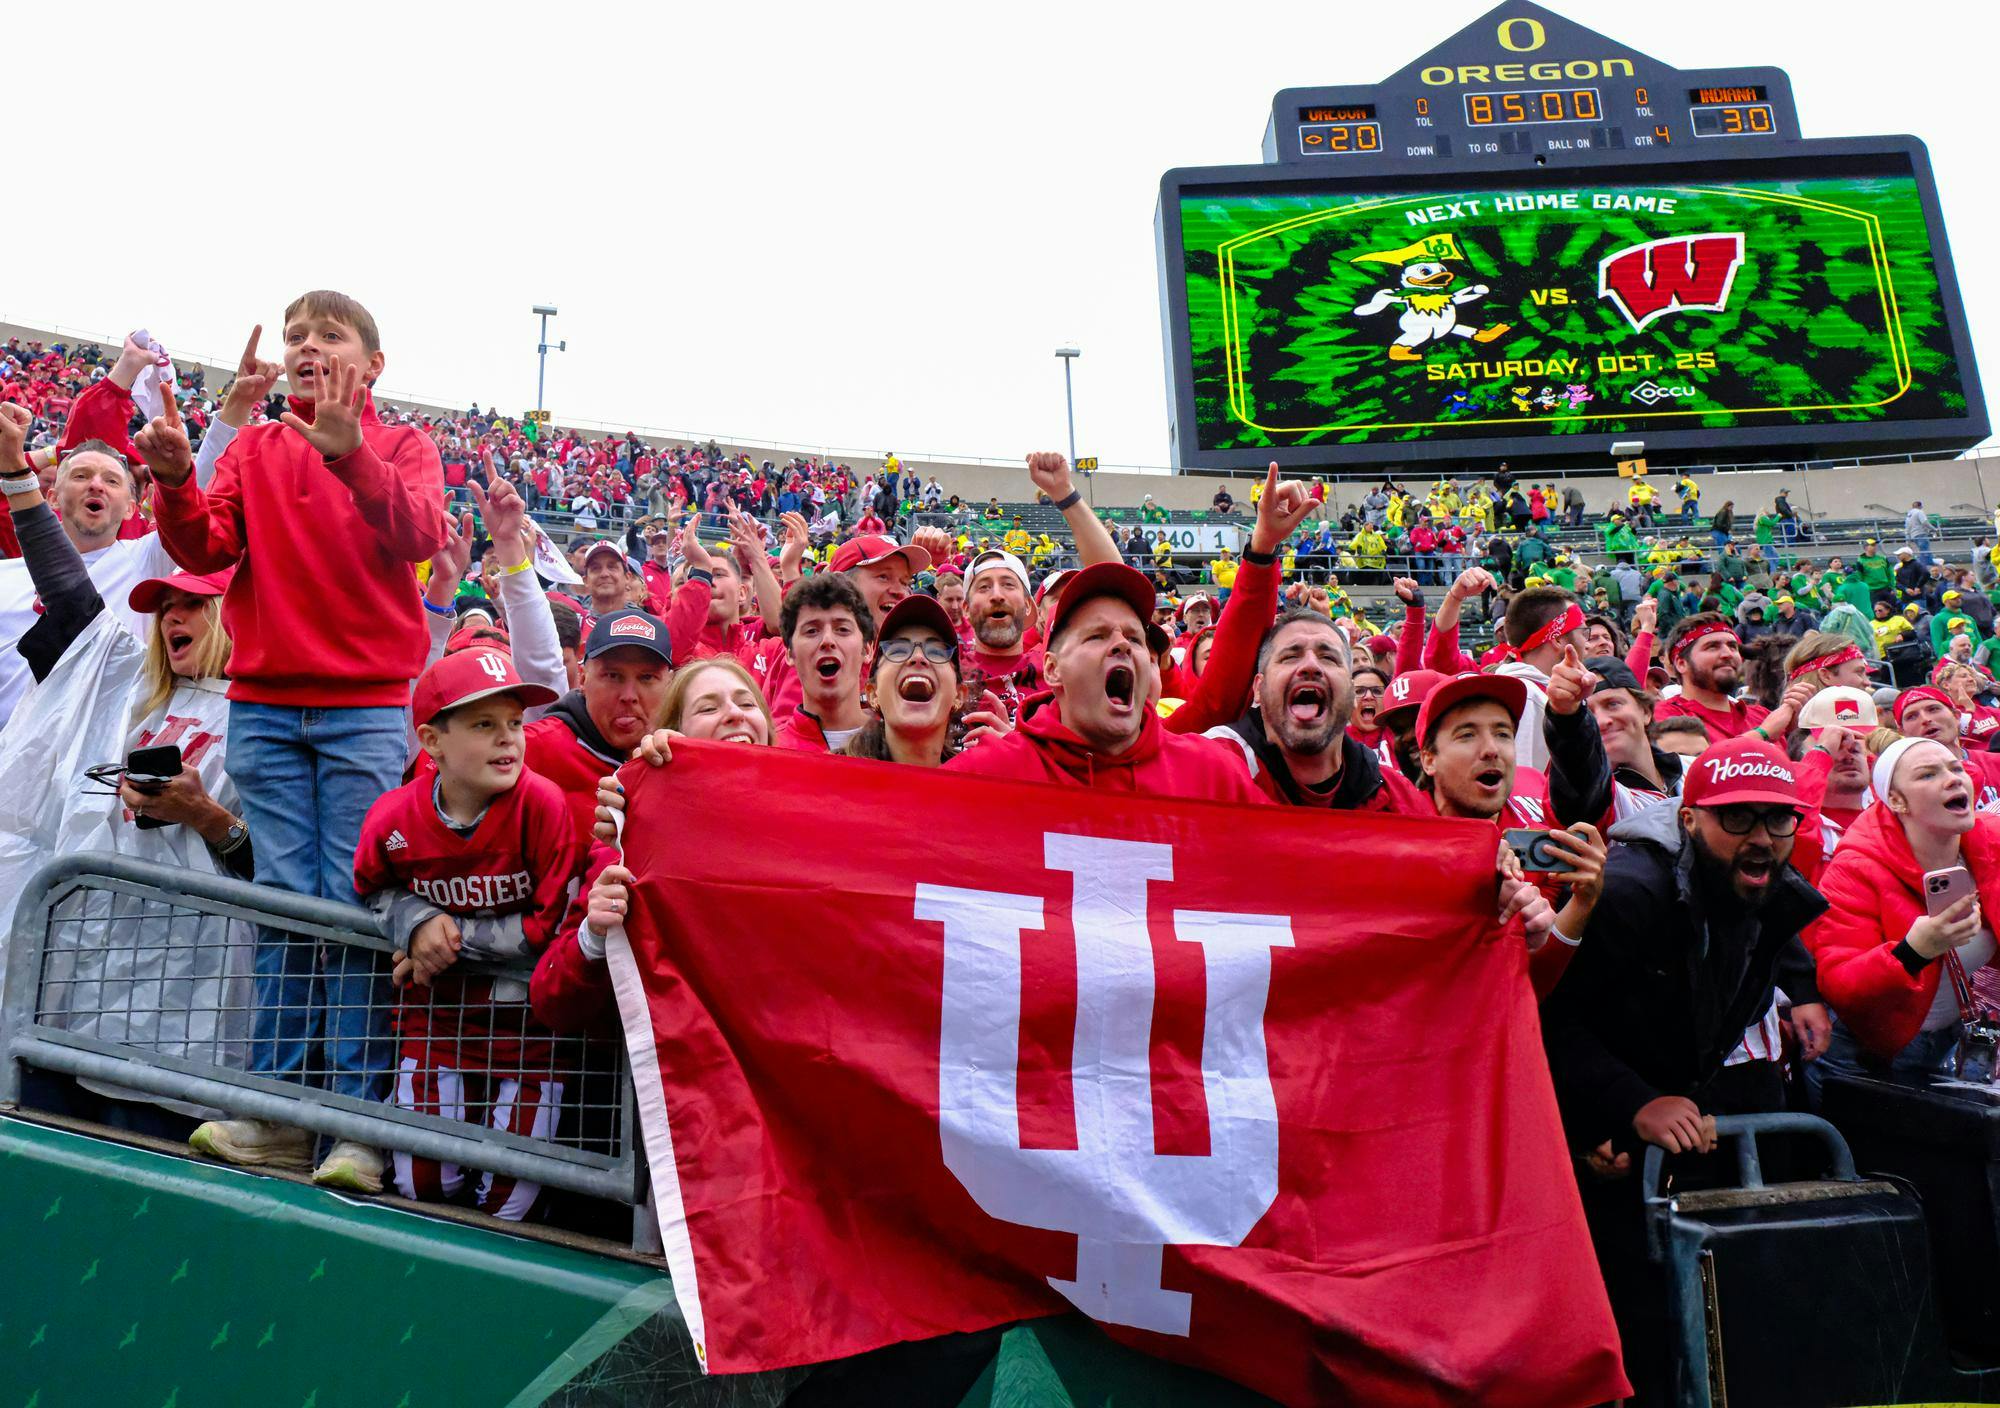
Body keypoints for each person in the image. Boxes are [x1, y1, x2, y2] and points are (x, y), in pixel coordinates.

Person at [141, 295, 447, 1180]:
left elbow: (421, 533)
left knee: (351, 910)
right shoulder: (256, 446)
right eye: (296, 338)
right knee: (282, 905)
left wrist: (351, 452)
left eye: (330, 335)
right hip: (268, 708)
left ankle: (356, 1125)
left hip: (362, 710)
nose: (308, 347)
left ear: (373, 365)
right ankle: (277, 1114)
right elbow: (206, 541)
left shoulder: (403, 447)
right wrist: (170, 480)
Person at [1542, 737, 1829, 1399]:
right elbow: (1545, 1017)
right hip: (1591, 1147)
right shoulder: (1629, 892)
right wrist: (1632, 1104)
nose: (1761, 837)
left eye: (1777, 818)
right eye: (1736, 818)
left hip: (1669, 1136)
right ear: (1689, 817)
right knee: (1630, 1339)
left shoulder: (1775, 891)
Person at [350, 649, 576, 1210]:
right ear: (431, 742)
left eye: (515, 724)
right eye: (484, 724)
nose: (508, 740)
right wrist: (415, 919)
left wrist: (444, 940)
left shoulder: (543, 805)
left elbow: (547, 925)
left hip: (530, 1036)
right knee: (424, 1186)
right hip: (436, 1026)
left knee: (508, 1200)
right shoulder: (394, 817)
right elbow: (370, 887)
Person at [946, 561, 1268, 802]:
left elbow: (1297, 862)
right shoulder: (991, 777)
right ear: (1052, 669)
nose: (1122, 644)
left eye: (1135, 638)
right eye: (1097, 636)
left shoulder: (1212, 776)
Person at [1808, 737, 1999, 1090]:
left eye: (1956, 768)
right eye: (1927, 775)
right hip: (1863, 1054)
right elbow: (1839, 982)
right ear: (1896, 800)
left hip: (1954, 1043)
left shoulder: (1991, 843)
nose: (1954, 778)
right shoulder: (1855, 868)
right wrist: (1913, 952)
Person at [845, 594, 1005, 767]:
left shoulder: (981, 786)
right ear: (872, 693)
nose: (918, 657)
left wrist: (1021, 761)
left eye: (936, 652)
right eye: (898, 650)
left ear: (958, 695)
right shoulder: (835, 780)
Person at [775, 572, 874, 753]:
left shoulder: (898, 746)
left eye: (843, 629)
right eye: (812, 631)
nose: (827, 640)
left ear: (867, 650)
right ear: (789, 653)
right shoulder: (771, 750)